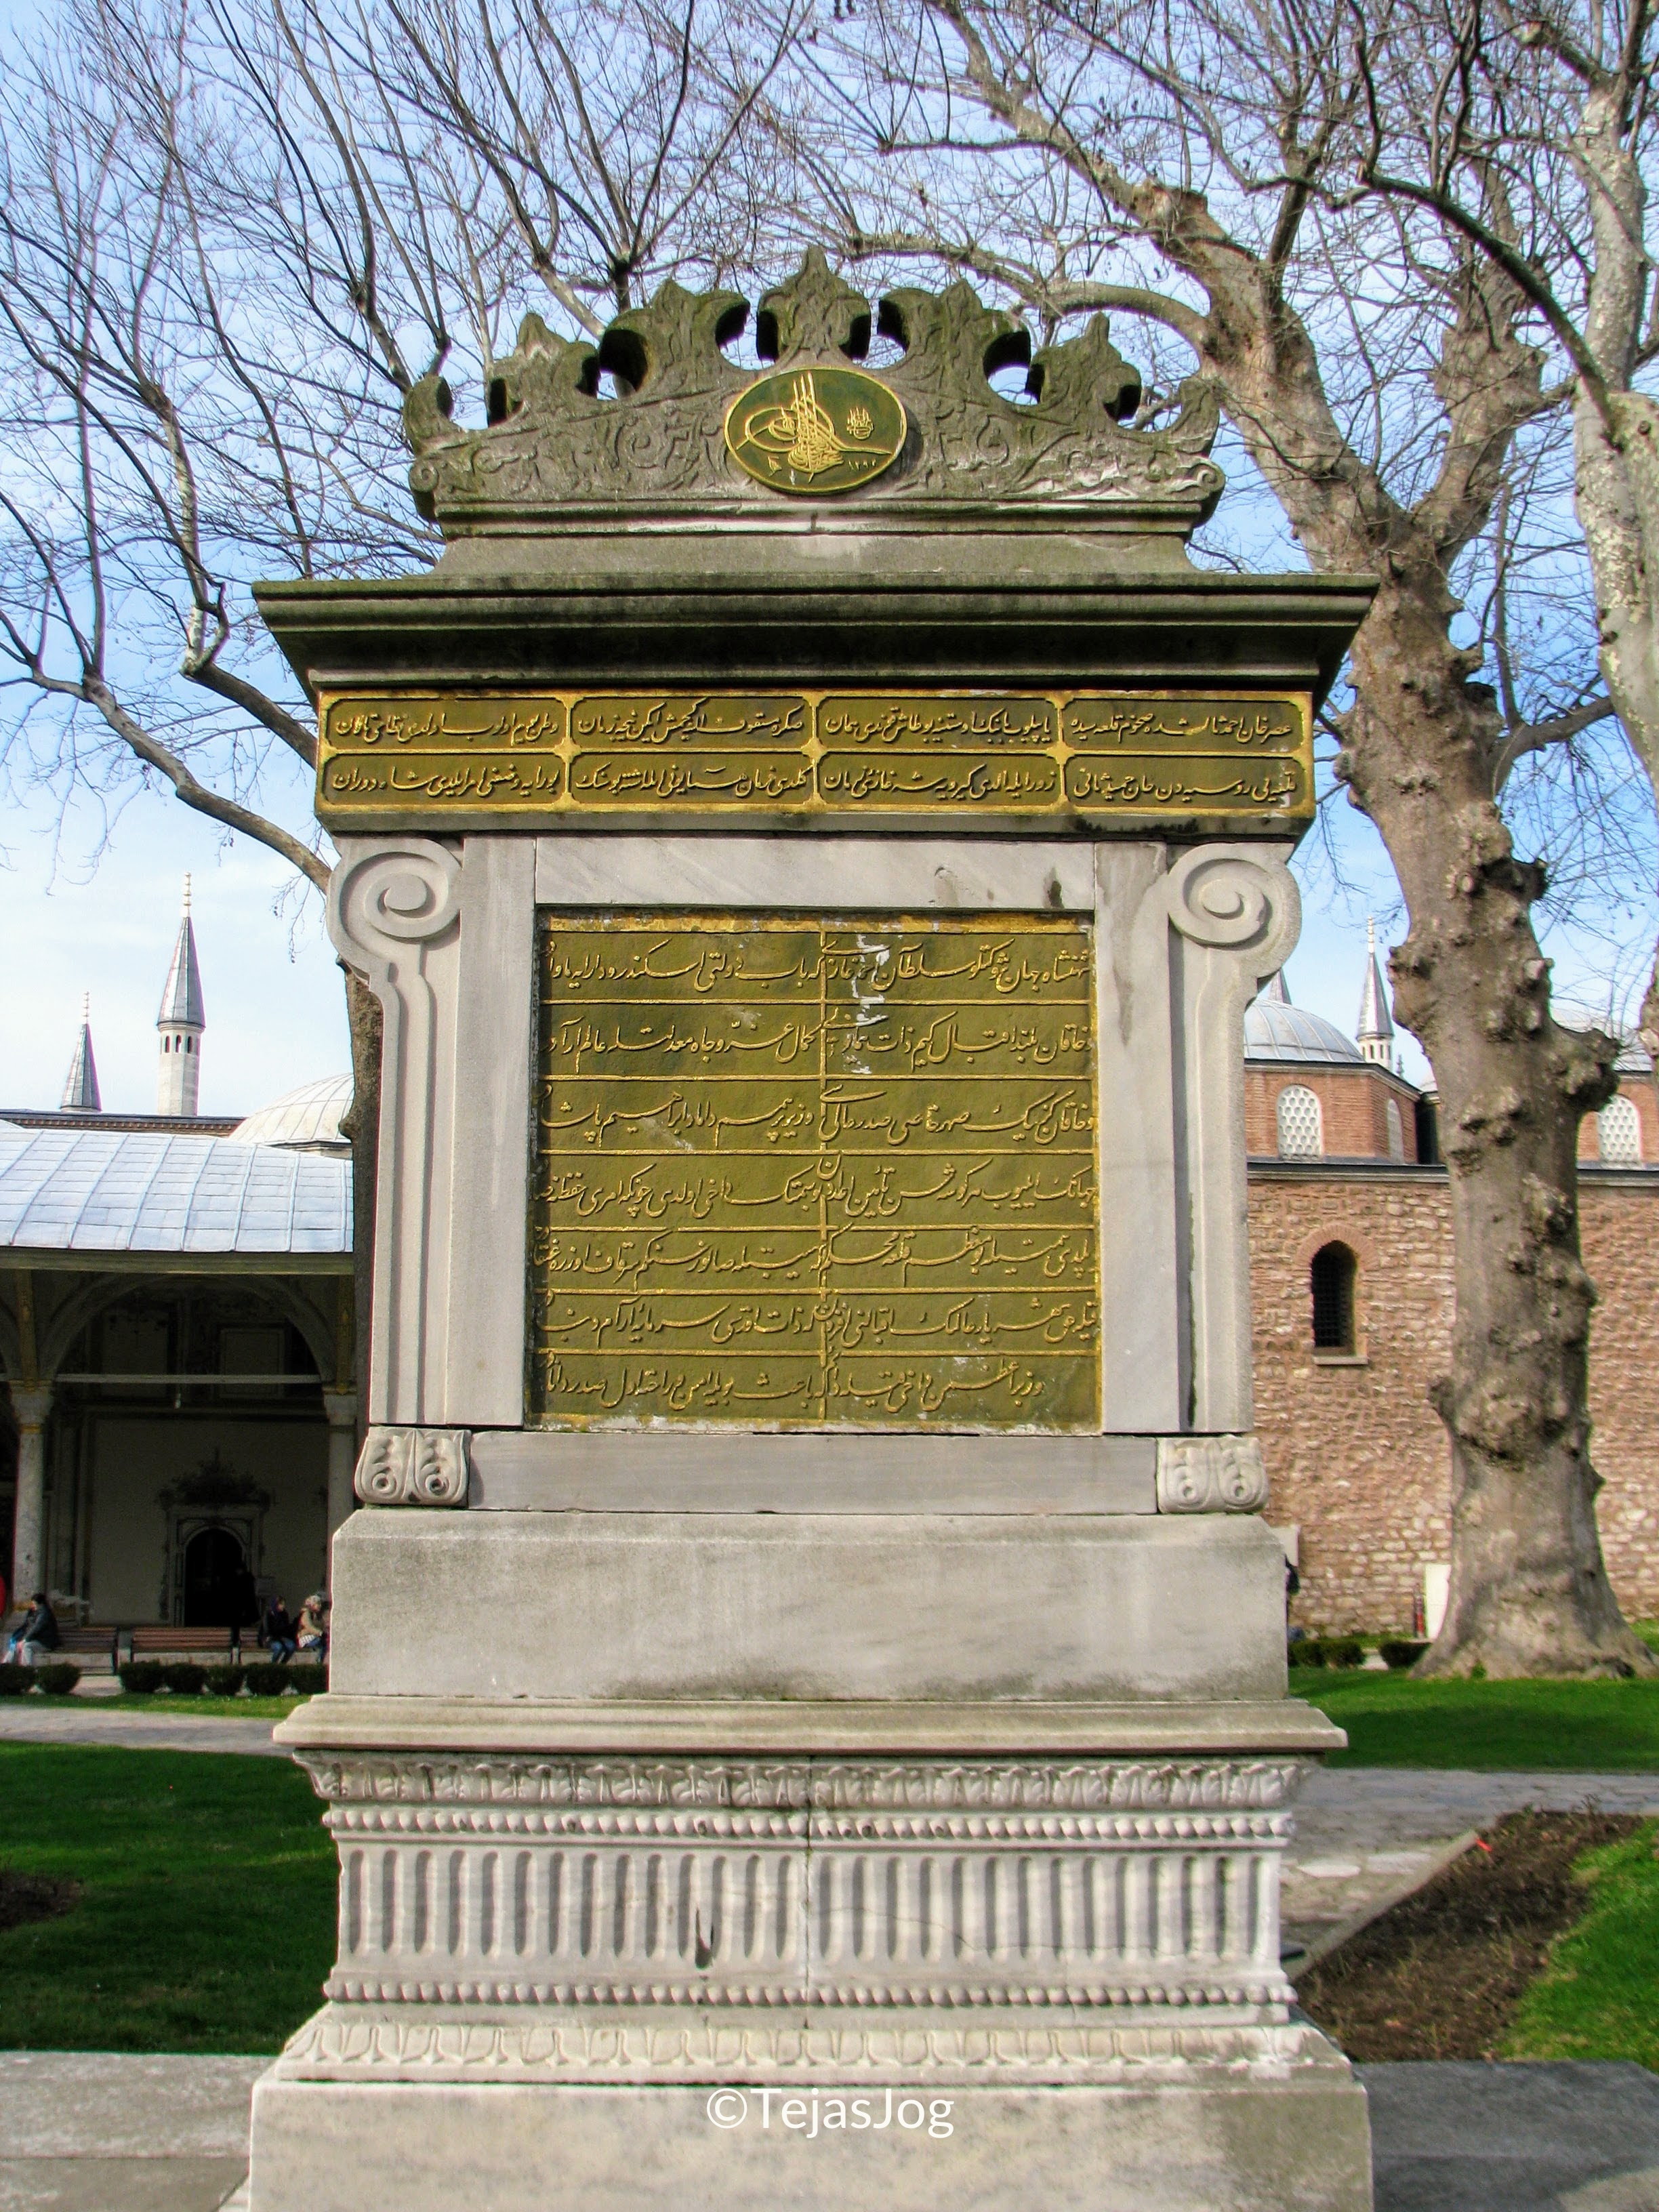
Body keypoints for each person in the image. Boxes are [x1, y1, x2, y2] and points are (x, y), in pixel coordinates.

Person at [5, 1593, 60, 1666]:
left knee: (26, 1646)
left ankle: (28, 1669)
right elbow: (27, 1626)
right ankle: (5, 1666)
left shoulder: (45, 1614)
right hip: (35, 1640)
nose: (32, 1606)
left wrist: (24, 1640)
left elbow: (36, 1629)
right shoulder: (33, 1612)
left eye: (34, 1604)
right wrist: (20, 1639)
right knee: (16, 1646)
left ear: (41, 1604)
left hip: (45, 1643)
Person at [262, 1595, 298, 1664]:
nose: (283, 1606)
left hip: (281, 1638)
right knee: (279, 1648)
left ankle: (282, 1664)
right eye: (281, 1604)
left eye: (284, 1604)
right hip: (271, 1638)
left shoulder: (284, 1614)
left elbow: (286, 1628)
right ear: (276, 1605)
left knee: (292, 1646)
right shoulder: (268, 1614)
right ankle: (273, 1665)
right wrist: (273, 1635)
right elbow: (267, 1629)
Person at [295, 1593, 329, 1660]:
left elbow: (321, 1626)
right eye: (318, 1604)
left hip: (315, 1636)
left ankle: (320, 1660)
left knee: (325, 1644)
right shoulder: (306, 1614)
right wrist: (320, 1633)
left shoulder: (318, 1615)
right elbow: (309, 1627)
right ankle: (318, 1660)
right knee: (320, 1641)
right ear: (312, 1605)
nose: (320, 1606)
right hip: (305, 1637)